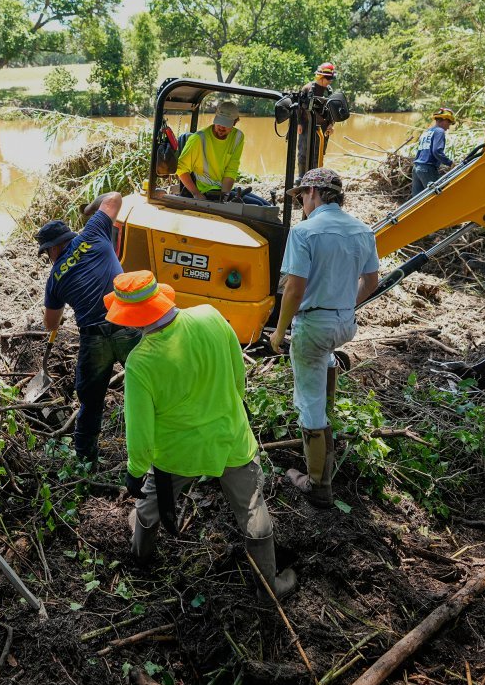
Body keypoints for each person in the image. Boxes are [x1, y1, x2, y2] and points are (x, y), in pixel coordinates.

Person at [109, 270, 296, 600]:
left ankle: (140, 557)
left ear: (133, 317)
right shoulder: (210, 316)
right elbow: (238, 375)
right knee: (253, 511)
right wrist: (234, 407)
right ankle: (269, 587)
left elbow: (140, 430)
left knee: (149, 505)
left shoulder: (141, 361)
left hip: (177, 454)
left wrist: (135, 471)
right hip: (230, 440)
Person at [270, 169, 379, 507]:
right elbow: (371, 281)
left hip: (314, 324)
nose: (302, 204)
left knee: (309, 401)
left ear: (314, 193)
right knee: (325, 357)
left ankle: (318, 485)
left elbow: (294, 288)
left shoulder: (304, 232)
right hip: (344, 324)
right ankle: (329, 418)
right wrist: (344, 306)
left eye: (302, 197)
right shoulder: (362, 230)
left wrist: (280, 330)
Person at [37, 192, 141, 466]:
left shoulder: (55, 277)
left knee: (91, 402)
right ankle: (157, 450)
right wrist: (89, 210)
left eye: (46, 252)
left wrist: (61, 300)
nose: (48, 257)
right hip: (127, 324)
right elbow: (114, 197)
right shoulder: (93, 231)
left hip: (95, 338)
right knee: (151, 386)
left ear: (53, 248)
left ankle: (85, 461)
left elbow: (50, 324)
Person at [176, 101, 269, 206]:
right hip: (205, 190)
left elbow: (231, 169)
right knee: (258, 205)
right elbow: (181, 168)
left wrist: (225, 196)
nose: (221, 127)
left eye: (226, 124)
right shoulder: (198, 139)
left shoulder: (238, 137)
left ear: (235, 122)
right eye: (219, 122)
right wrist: (196, 194)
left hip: (223, 190)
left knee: (266, 205)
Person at [296, 63, 338, 178]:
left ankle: (315, 178)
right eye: (328, 79)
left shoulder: (329, 91)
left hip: (323, 128)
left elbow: (332, 110)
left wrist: (331, 124)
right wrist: (299, 123)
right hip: (307, 126)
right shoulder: (307, 89)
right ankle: (301, 177)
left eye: (331, 79)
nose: (330, 81)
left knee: (318, 154)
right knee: (303, 153)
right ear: (321, 77)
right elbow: (299, 108)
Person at [411, 107, 456, 196]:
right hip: (427, 169)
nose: (448, 127)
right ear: (444, 120)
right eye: (449, 123)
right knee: (438, 196)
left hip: (416, 168)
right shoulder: (440, 131)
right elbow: (436, 151)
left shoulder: (427, 132)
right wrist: (450, 163)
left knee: (418, 199)